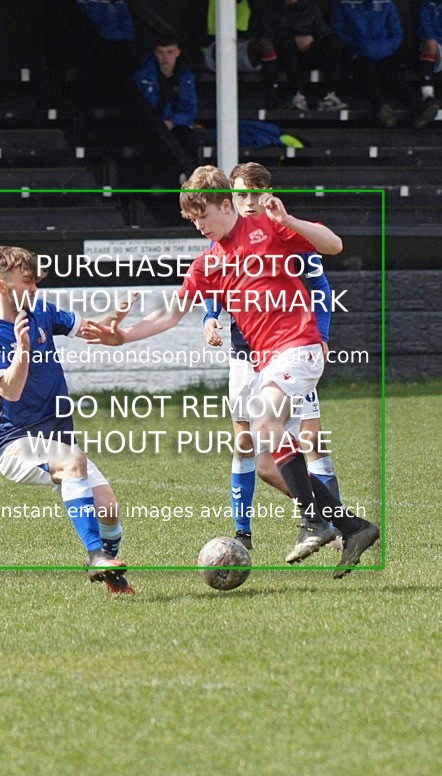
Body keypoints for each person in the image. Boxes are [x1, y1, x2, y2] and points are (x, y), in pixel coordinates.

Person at [85, 166, 380, 578]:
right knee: (266, 457)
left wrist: (288, 221)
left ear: (227, 204)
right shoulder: (209, 263)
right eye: (192, 220)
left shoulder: (267, 227)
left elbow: (333, 244)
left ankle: (316, 521)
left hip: (299, 347)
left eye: (203, 215)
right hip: (268, 361)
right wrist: (124, 336)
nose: (199, 225)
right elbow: (171, 314)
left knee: (266, 424)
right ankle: (352, 527)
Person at [0, 246, 135, 595]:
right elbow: (9, 392)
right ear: (0, 286)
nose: (35, 290)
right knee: (72, 462)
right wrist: (22, 349)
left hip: (57, 440)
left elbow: (90, 330)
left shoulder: (40, 310)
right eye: (27, 282)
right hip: (14, 445)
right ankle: (94, 556)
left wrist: (111, 328)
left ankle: (111, 576)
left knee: (110, 510)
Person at [202, 162, 342, 551]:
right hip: (244, 357)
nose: (245, 202)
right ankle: (243, 531)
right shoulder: (221, 238)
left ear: (266, 195)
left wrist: (324, 334)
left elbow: (319, 286)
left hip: (289, 351)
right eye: (238, 193)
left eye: (252, 194)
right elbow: (214, 284)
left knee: (310, 437)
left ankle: (329, 520)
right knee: (245, 442)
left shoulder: (284, 233)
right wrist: (211, 318)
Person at [331, 0, 439, 128]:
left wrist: (383, 48)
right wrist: (359, 46)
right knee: (365, 70)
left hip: (384, 52)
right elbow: (336, 33)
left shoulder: (386, 2)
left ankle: (419, 108)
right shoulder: (342, 3)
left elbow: (397, 33)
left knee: (394, 73)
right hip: (358, 53)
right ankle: (381, 108)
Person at [261, 0, 346, 112]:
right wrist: (294, 39)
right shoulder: (272, 9)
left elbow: (324, 31)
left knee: (334, 42)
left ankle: (326, 95)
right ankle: (297, 95)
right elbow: (266, 36)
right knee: (286, 45)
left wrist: (312, 38)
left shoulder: (311, 7)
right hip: (285, 56)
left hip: (310, 52)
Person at [195, 0, 279, 108]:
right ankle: (229, 103)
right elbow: (199, 35)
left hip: (241, 48)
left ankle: (272, 94)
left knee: (266, 44)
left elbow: (253, 33)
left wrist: (240, 39)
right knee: (227, 47)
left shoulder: (247, 3)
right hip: (212, 51)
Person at [133, 35, 199, 160]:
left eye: (169, 52)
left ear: (177, 53)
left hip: (175, 125)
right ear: (155, 54)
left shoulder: (186, 77)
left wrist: (173, 122)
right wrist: (156, 123)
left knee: (188, 140)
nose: (165, 57)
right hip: (150, 126)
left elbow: (191, 109)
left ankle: (191, 178)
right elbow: (138, 107)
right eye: (160, 52)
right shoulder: (142, 76)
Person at [417, 0, 442, 103]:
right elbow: (425, 28)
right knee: (430, 43)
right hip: (437, 46)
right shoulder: (428, 4)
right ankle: (427, 95)